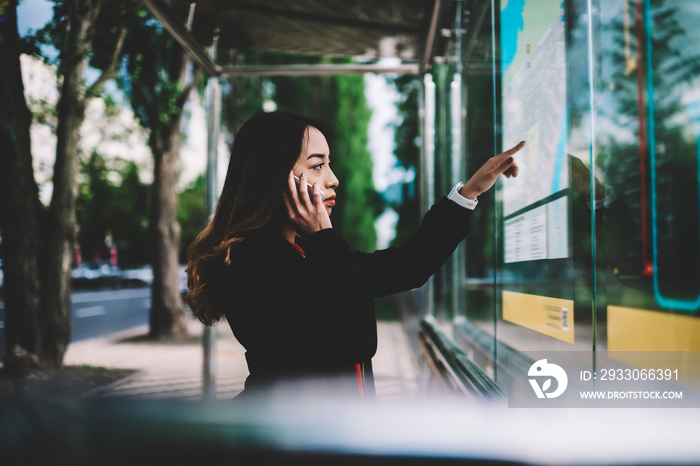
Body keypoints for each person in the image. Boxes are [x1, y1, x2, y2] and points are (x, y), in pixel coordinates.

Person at [186, 110, 523, 399]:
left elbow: (408, 267)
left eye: (328, 165)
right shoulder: (250, 264)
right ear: (274, 178)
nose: (333, 180)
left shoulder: (303, 253)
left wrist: (469, 192)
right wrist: (323, 239)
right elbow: (353, 342)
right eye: (317, 166)